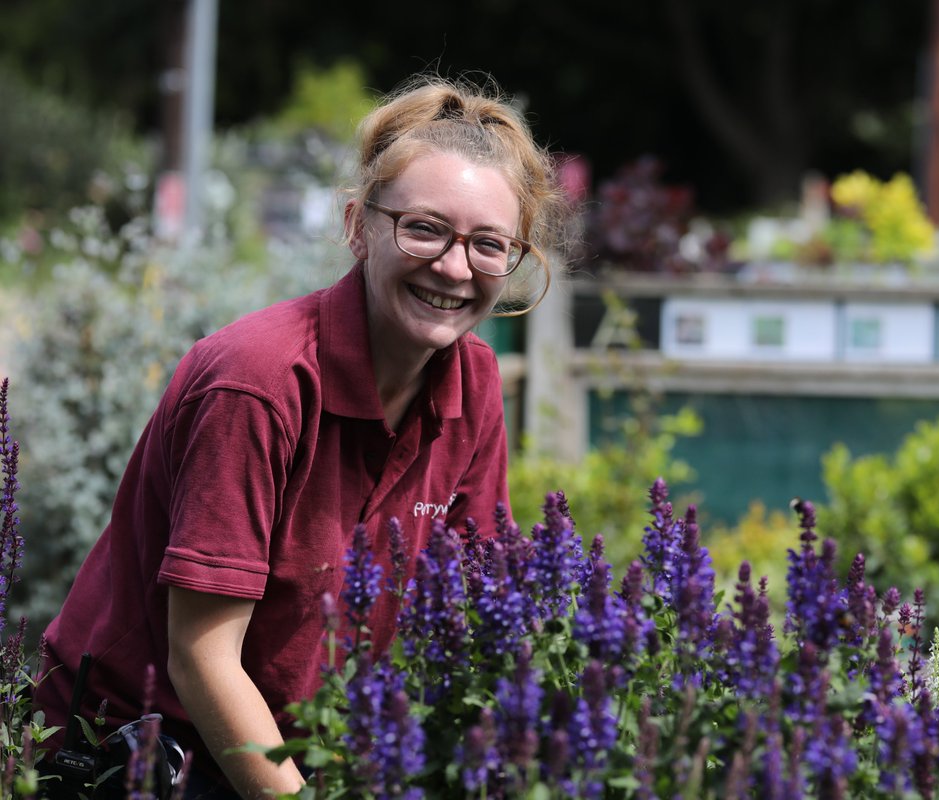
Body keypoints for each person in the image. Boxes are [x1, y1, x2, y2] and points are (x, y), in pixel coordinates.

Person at [34, 74, 570, 799]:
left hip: (307, 750)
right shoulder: (259, 383)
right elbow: (200, 655)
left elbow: (468, 625)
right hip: (149, 751)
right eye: (424, 228)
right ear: (358, 225)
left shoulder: (472, 383)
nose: (452, 266)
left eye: (487, 245)